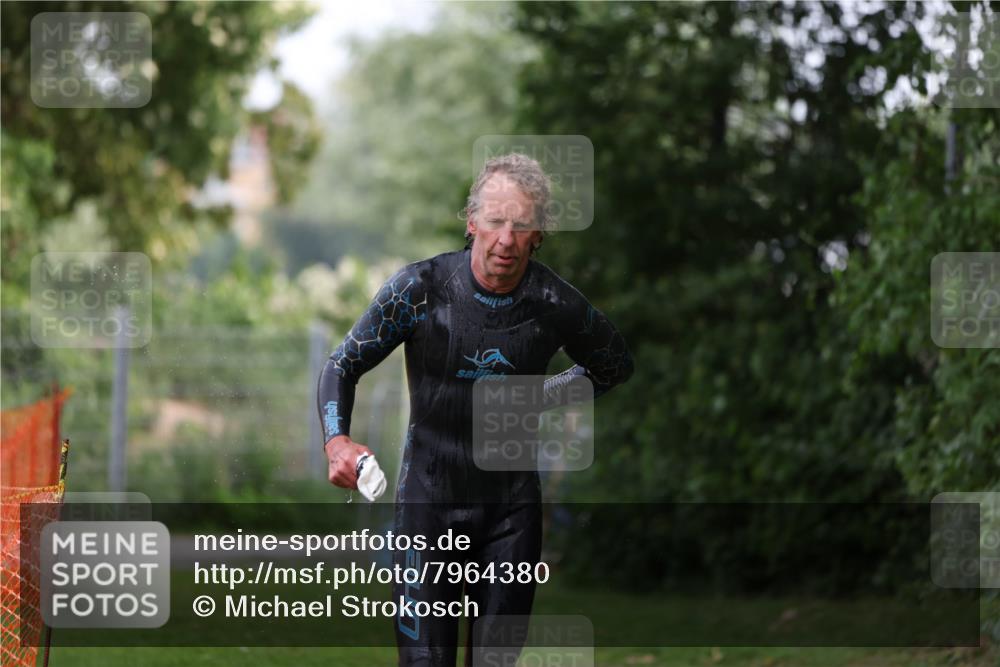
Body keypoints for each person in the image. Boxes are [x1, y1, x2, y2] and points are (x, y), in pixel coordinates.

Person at [317, 153, 633, 666]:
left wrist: (537, 397)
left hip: (510, 518)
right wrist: (337, 441)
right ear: (471, 221)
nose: (506, 239)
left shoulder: (555, 303)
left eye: (521, 225)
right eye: (495, 220)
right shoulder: (419, 290)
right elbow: (342, 364)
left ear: (539, 234)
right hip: (427, 510)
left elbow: (613, 365)